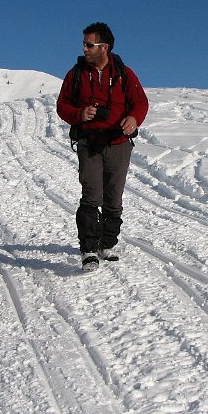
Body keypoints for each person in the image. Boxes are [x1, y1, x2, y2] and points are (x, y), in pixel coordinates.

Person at [56, 22, 148, 272]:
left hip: (118, 144)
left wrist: (133, 119)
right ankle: (88, 250)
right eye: (84, 44)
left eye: (89, 44)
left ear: (104, 47)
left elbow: (140, 103)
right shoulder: (75, 74)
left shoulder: (124, 73)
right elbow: (62, 106)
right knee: (91, 195)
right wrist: (80, 114)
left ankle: (107, 243)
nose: (84, 48)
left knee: (113, 197)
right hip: (90, 143)